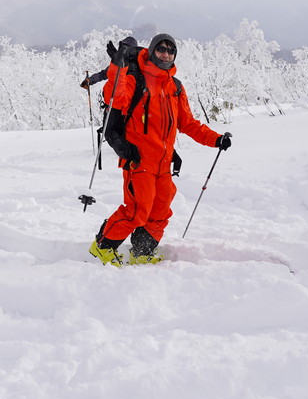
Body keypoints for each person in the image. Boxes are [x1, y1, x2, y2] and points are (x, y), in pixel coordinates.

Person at [90, 33, 232, 265]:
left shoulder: (175, 87)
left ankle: (142, 252)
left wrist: (216, 139)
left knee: (160, 211)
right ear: (152, 50)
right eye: (161, 49)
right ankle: (103, 246)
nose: (165, 53)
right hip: (138, 161)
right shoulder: (136, 80)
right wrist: (118, 66)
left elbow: (187, 123)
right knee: (137, 211)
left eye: (170, 50)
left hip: (163, 164)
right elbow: (114, 96)